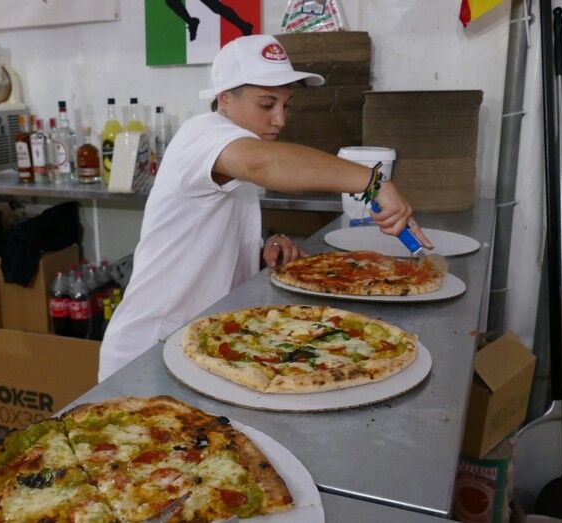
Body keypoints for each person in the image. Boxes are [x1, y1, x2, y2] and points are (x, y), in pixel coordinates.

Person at [98, 34, 431, 381]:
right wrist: (374, 182)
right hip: (149, 347)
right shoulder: (203, 133)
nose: (280, 120)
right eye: (267, 104)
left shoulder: (231, 145)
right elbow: (261, 163)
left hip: (200, 339)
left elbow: (206, 230)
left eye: (286, 105)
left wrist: (260, 249)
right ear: (225, 99)